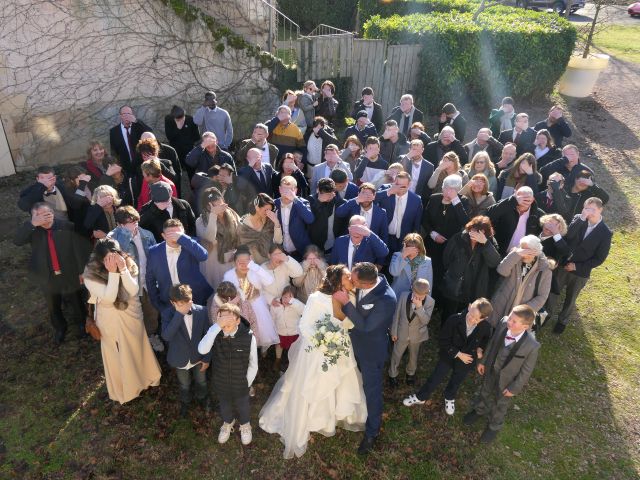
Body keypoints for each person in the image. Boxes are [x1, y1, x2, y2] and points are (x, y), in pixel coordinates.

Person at [260, 265, 367, 458]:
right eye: (347, 276)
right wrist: (323, 342)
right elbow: (305, 325)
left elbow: (350, 323)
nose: (351, 278)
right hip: (316, 350)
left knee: (342, 380)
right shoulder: (316, 298)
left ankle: (336, 415)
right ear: (336, 280)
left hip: (340, 346)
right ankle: (316, 419)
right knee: (314, 384)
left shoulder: (351, 297)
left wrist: (338, 334)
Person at [83, 238, 161, 404]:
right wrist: (112, 273)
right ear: (99, 259)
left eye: (115, 255)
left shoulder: (127, 261)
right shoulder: (91, 273)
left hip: (131, 314)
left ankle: (146, 377)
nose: (111, 260)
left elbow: (133, 289)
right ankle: (127, 388)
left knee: (137, 346)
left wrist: (123, 269)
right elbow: (110, 297)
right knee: (119, 352)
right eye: (106, 259)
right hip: (111, 318)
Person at [333, 262, 398, 455]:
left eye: (353, 281)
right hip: (352, 344)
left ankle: (372, 431)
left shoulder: (386, 299)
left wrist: (345, 303)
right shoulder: (364, 280)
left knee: (372, 389)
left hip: (371, 351)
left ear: (366, 284)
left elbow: (366, 326)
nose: (351, 282)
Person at [463, 304, 540, 444]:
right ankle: (479, 409)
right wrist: (483, 362)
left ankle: (494, 425)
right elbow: (492, 344)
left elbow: (526, 371)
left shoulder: (532, 346)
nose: (509, 322)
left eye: (514, 321)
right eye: (510, 317)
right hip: (491, 368)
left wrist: (514, 388)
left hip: (508, 379)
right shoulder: (503, 323)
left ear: (525, 326)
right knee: (485, 390)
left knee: (501, 402)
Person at [404, 298, 493, 416]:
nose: (472, 319)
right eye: (471, 315)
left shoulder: (485, 327)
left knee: (457, 380)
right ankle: (422, 396)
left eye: (476, 319)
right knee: (436, 377)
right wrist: (459, 354)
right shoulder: (454, 320)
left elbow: (486, 338)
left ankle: (449, 397)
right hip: (449, 355)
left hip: (467, 359)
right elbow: (443, 340)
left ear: (484, 319)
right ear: (469, 306)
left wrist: (480, 348)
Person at [13, 203, 88, 344]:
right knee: (53, 305)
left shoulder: (67, 226)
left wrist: (81, 272)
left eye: (46, 214)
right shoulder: (32, 230)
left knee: (76, 301)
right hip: (47, 275)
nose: (44, 218)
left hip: (68, 272)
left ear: (52, 213)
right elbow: (17, 241)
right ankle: (60, 328)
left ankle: (82, 324)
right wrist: (31, 224)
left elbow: (77, 251)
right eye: (39, 215)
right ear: (33, 217)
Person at [548, 198, 612, 334]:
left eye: (592, 209)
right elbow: (569, 235)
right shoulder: (579, 219)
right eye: (586, 208)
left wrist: (577, 267)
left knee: (571, 298)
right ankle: (546, 315)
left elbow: (599, 259)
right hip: (564, 265)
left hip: (580, 272)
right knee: (553, 292)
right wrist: (581, 219)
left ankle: (562, 321)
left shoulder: (605, 233)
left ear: (601, 210)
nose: (589, 212)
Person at [198, 303, 258, 445]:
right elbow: (202, 350)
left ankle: (245, 425)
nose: (225, 322)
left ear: (238, 320)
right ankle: (227, 423)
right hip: (221, 380)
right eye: (221, 318)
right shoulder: (215, 334)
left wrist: (246, 383)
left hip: (241, 382)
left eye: (229, 318)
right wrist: (216, 327)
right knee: (225, 405)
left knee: (243, 405)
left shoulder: (249, 337)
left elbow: (253, 364)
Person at [108, 206, 163, 352]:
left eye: (136, 221)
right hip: (129, 284)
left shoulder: (147, 234)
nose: (135, 225)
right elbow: (117, 257)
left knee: (151, 312)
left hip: (148, 281)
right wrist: (127, 236)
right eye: (129, 223)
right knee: (133, 315)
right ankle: (137, 342)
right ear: (120, 224)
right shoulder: (112, 238)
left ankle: (152, 335)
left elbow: (156, 256)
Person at [161, 284, 212, 417]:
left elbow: (208, 337)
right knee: (184, 383)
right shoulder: (167, 314)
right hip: (180, 358)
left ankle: (203, 399)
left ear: (192, 298)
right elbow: (167, 336)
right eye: (180, 303)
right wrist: (179, 315)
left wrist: (206, 358)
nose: (185, 306)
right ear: (173, 303)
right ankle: (185, 402)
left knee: (201, 381)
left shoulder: (202, 311)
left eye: (187, 302)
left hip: (199, 357)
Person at [440, 216, 501, 321]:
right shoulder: (458, 238)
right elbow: (446, 259)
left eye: (479, 232)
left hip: (474, 288)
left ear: (485, 233)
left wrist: (485, 243)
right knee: (449, 314)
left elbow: (495, 262)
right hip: (454, 285)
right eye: (473, 230)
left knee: (466, 318)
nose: (475, 234)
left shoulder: (489, 243)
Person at [146, 219, 213, 315]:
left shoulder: (191, 243)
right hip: (168, 302)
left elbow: (203, 256)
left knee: (198, 328)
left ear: (184, 234)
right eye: (170, 234)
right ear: (163, 236)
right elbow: (150, 279)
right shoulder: (154, 252)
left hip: (196, 298)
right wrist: (157, 304)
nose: (174, 237)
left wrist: (183, 238)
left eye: (177, 234)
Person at [487, 235, 552, 328]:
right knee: (490, 331)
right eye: (522, 248)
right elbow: (501, 270)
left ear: (535, 252)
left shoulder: (545, 270)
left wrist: (524, 311)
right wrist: (516, 254)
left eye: (526, 250)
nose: (523, 252)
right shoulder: (515, 256)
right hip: (500, 305)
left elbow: (542, 296)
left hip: (520, 315)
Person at [422, 175, 470, 298]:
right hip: (431, 243)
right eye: (446, 188)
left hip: (450, 246)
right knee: (427, 270)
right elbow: (425, 219)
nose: (448, 192)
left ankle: (437, 301)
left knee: (441, 274)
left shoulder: (463, 201)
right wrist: (432, 234)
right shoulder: (434, 198)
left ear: (458, 190)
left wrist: (455, 200)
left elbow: (465, 222)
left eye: (452, 189)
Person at [223, 246, 279, 350]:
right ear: (235, 262)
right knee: (245, 334)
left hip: (257, 304)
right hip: (241, 308)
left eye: (247, 261)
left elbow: (269, 280)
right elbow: (227, 295)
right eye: (240, 262)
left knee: (261, 331)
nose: (244, 265)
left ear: (251, 260)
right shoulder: (229, 275)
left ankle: (261, 351)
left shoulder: (255, 271)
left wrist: (254, 267)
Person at [388, 278, 434, 388]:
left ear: (427, 293)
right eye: (416, 294)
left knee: (414, 355)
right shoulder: (404, 296)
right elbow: (397, 314)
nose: (418, 298)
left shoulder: (430, 302)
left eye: (421, 296)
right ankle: (393, 374)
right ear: (412, 289)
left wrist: (419, 308)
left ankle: (410, 373)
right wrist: (394, 331)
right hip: (401, 332)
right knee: (396, 354)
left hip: (417, 335)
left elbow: (426, 320)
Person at [196, 187, 240, 289]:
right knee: (218, 290)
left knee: (234, 288)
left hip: (232, 258)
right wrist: (213, 215)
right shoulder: (200, 220)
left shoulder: (231, 213)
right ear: (207, 206)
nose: (219, 207)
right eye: (214, 205)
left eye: (220, 203)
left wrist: (239, 251)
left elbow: (241, 233)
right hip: (214, 261)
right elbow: (210, 238)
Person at [487, 186, 544, 257]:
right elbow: (487, 215)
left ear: (532, 200)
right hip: (499, 253)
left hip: (522, 257)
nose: (523, 202)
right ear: (515, 196)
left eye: (527, 200)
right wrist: (512, 201)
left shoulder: (538, 214)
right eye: (521, 199)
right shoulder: (506, 204)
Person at [375, 171, 423, 254]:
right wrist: (389, 192)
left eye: (403, 186)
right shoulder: (386, 190)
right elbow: (372, 200)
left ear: (409, 185)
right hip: (384, 236)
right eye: (397, 185)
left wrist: (413, 242)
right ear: (394, 182)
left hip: (403, 240)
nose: (399, 189)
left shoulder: (416, 200)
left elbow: (417, 224)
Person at [238, 193, 283, 264]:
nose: (268, 212)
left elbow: (278, 241)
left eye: (270, 210)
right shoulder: (242, 225)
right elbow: (240, 248)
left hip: (270, 264)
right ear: (257, 207)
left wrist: (276, 223)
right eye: (266, 210)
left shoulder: (270, 221)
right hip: (253, 265)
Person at [269, 285, 305, 373]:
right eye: (285, 297)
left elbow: (304, 310)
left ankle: (291, 363)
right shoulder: (276, 305)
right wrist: (273, 330)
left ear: (294, 299)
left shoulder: (297, 306)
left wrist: (294, 303)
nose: (287, 299)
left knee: (293, 349)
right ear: (281, 296)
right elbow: (272, 318)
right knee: (279, 346)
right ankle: (278, 360)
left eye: (290, 297)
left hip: (294, 332)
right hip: (281, 332)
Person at [109, 104, 153, 176]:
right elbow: (114, 151)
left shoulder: (138, 126)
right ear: (120, 116)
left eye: (129, 114)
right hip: (125, 168)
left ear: (133, 115)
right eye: (124, 114)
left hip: (142, 166)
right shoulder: (114, 131)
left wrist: (136, 121)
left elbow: (150, 133)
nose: (127, 116)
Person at [389, 233, 433, 297]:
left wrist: (427, 301)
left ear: (420, 248)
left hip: (418, 297)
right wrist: (403, 256)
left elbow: (429, 283)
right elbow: (394, 272)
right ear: (405, 247)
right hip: (399, 295)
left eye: (414, 248)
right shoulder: (397, 255)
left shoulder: (427, 261)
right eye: (409, 248)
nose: (411, 251)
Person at [164, 105, 201, 179]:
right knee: (176, 172)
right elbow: (169, 137)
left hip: (188, 150)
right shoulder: (168, 120)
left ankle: (193, 187)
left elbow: (197, 136)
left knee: (191, 172)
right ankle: (177, 188)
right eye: (178, 120)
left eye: (182, 119)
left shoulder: (190, 119)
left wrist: (189, 142)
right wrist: (178, 128)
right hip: (176, 151)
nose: (181, 121)